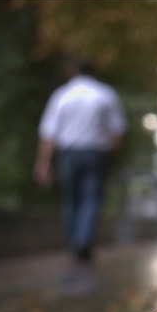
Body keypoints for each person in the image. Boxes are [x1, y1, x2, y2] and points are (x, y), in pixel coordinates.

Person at [34, 57, 127, 262]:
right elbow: (117, 132)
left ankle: (75, 241)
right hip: (96, 153)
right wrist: (111, 153)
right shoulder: (105, 95)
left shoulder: (62, 95)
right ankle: (83, 240)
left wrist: (44, 162)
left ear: (72, 71)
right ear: (94, 72)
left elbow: (48, 133)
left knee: (71, 198)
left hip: (69, 153)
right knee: (92, 198)